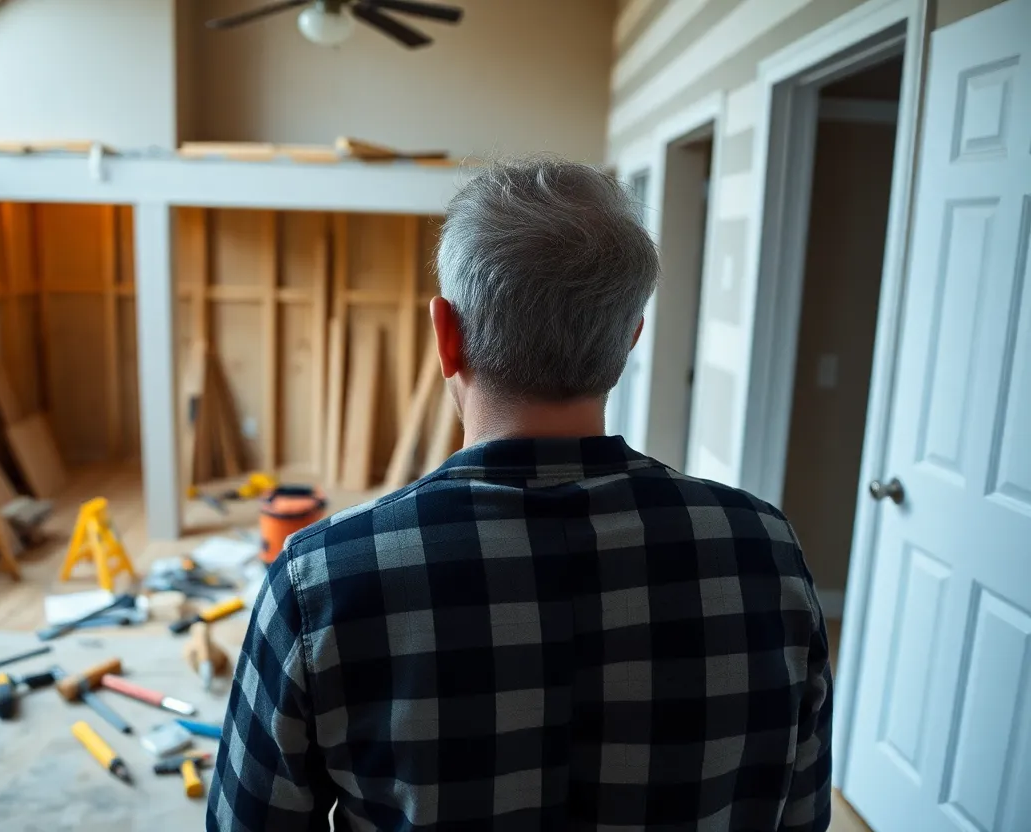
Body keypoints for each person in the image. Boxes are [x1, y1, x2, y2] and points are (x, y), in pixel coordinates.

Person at [207, 157, 832, 831]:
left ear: (446, 335)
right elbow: (800, 815)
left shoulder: (321, 581)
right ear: (629, 341)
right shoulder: (764, 550)